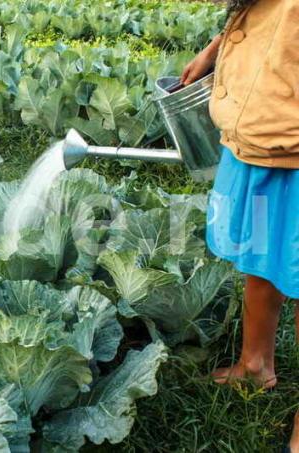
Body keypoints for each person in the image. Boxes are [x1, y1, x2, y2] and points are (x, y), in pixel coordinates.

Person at [180, 0, 298, 451]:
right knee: (258, 254)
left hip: (292, 141)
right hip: (257, 132)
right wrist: (217, 46)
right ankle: (255, 364)